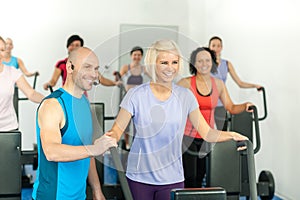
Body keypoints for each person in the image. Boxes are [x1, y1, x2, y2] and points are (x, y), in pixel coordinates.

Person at [107, 39, 248, 200]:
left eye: (174, 62)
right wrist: (108, 140)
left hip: (172, 177)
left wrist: (232, 135)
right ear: (153, 64)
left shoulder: (186, 96)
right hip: (139, 176)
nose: (170, 68)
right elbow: (117, 130)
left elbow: (207, 133)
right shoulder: (136, 95)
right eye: (164, 62)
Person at [32, 47, 117, 200]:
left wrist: (97, 190)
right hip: (53, 196)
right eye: (87, 67)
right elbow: (52, 152)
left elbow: (87, 150)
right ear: (70, 67)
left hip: (79, 196)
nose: (93, 74)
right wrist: (94, 148)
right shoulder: (53, 104)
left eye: (96, 69)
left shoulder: (84, 102)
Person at [177, 47, 253, 188]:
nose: (204, 63)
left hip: (208, 136)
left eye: (207, 60)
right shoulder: (185, 83)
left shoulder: (218, 84)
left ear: (212, 62)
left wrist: (245, 105)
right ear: (194, 63)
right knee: (190, 177)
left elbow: (231, 107)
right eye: (200, 61)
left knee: (202, 175)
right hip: (187, 136)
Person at [208, 36, 262, 130]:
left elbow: (240, 83)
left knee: (223, 133)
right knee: (205, 135)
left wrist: (254, 86)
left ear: (221, 47)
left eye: (218, 46)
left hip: (222, 104)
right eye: (213, 46)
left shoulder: (226, 64)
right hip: (207, 104)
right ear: (209, 47)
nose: (216, 48)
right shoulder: (205, 64)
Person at [43, 34, 118, 91]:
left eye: (77, 45)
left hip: (82, 98)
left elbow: (101, 79)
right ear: (68, 47)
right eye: (71, 45)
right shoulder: (61, 64)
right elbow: (53, 81)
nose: (74, 47)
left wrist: (115, 83)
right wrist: (48, 84)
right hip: (67, 97)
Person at [0, 36, 44, 131]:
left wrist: (50, 100)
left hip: (8, 128)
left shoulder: (13, 71)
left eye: (2, 50)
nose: (0, 53)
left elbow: (31, 93)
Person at [115, 46, 148, 150]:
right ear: (131, 56)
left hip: (139, 100)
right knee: (126, 122)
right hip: (128, 98)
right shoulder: (126, 67)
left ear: (141, 56)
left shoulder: (143, 68)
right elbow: (118, 79)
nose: (137, 57)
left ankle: (136, 143)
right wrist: (116, 77)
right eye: (135, 55)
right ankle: (127, 143)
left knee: (138, 122)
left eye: (139, 55)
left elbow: (154, 77)